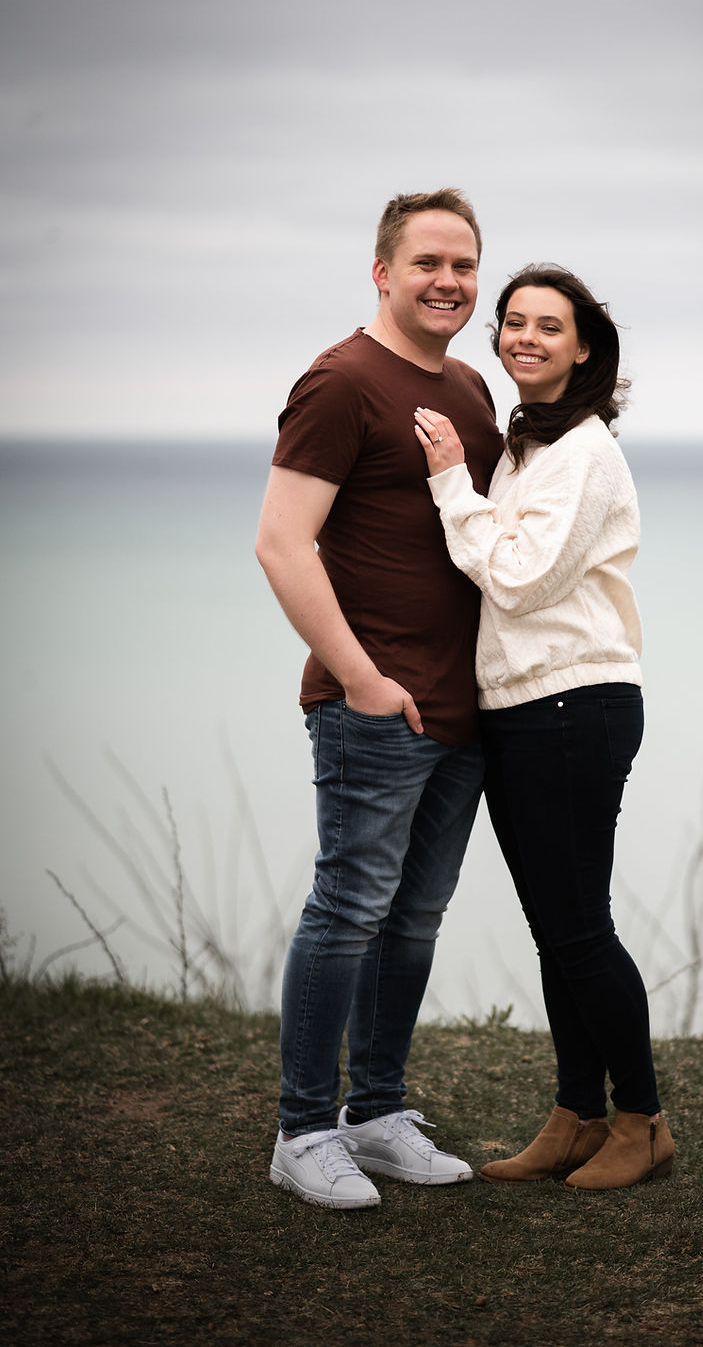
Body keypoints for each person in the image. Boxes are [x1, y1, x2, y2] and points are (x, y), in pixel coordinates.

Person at [255, 188, 502, 1210]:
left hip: (463, 707)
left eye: (462, 265)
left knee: (414, 918)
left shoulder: (474, 391)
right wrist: (358, 677)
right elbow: (280, 540)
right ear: (382, 272)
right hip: (375, 706)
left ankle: (378, 1111)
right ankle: (304, 1128)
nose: (446, 282)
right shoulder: (341, 380)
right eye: (426, 264)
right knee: (348, 909)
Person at [413, 264, 674, 1192]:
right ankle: (576, 1115)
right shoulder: (530, 444)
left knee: (579, 929)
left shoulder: (586, 452)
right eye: (513, 322)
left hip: (576, 706)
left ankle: (642, 1121)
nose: (525, 337)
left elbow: (519, 578)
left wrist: (450, 480)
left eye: (548, 327)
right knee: (556, 929)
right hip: (521, 712)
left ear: (585, 347)